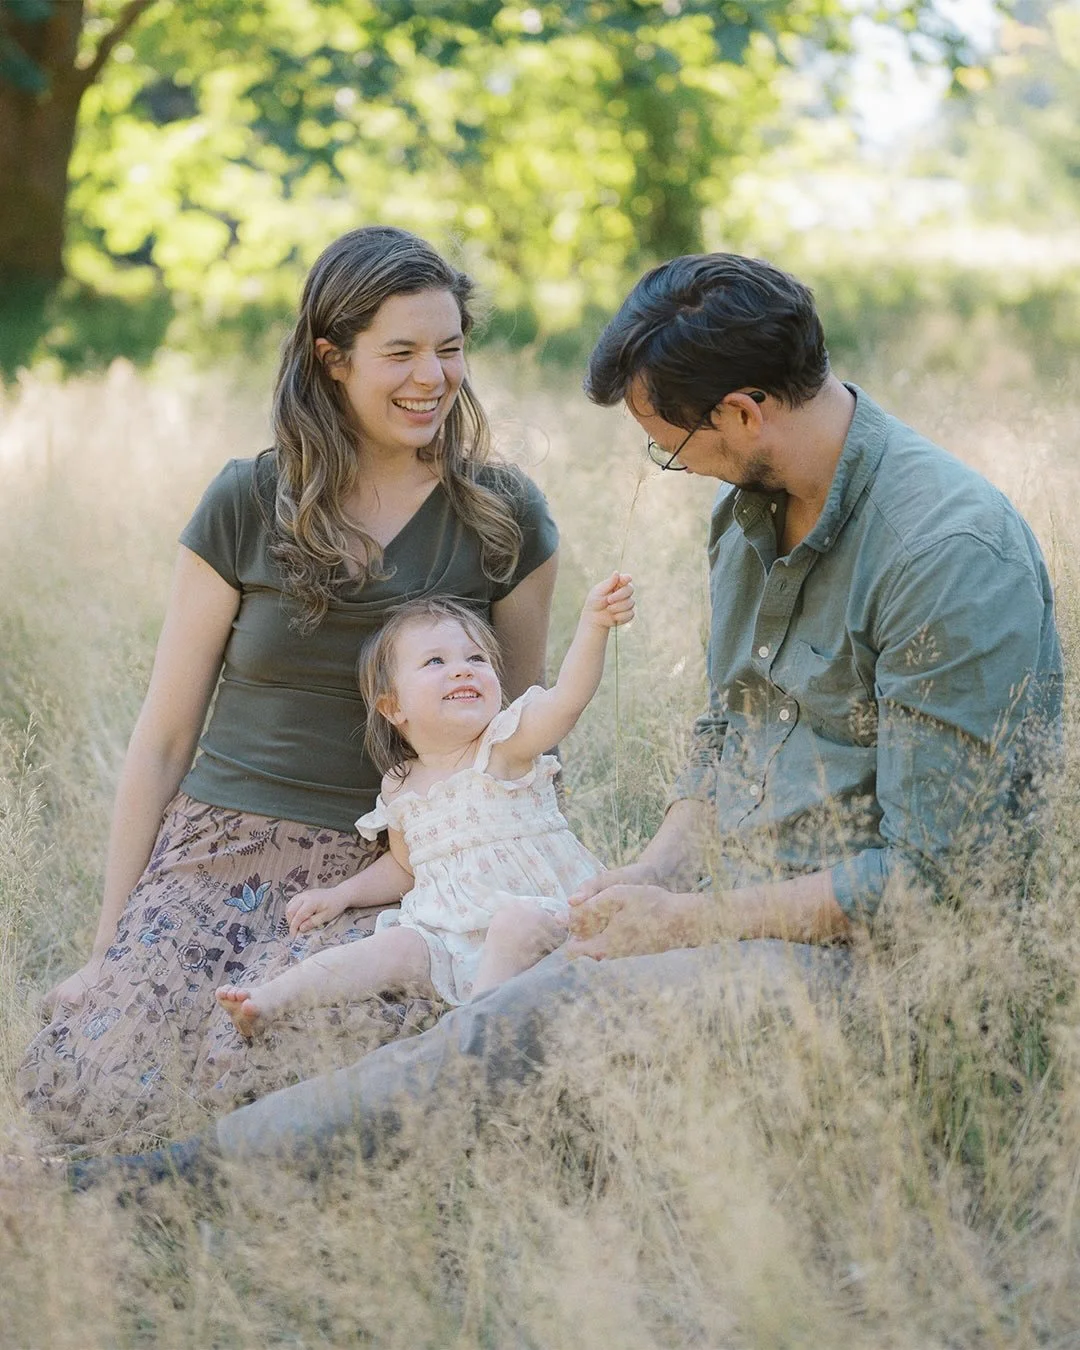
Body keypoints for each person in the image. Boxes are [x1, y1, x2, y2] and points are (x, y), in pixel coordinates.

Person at [66, 252, 1062, 1187]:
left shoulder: (946, 555)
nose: (672, 466)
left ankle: (147, 1193)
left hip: (860, 962)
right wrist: (641, 880)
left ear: (746, 412)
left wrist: (682, 922)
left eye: (672, 446)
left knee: (532, 1014)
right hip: (735, 902)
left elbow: (932, 884)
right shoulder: (750, 518)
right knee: (518, 964)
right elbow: (729, 741)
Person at [18, 225, 561, 1148]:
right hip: (218, 845)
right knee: (93, 1095)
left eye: (450, 348)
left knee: (296, 1089)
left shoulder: (504, 518)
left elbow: (524, 733)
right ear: (332, 357)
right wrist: (107, 949)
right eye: (401, 352)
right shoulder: (245, 500)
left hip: (396, 864)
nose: (433, 376)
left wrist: (496, 899)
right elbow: (163, 738)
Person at [215, 577, 633, 1036]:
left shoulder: (505, 746)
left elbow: (568, 700)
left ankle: (472, 1036)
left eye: (477, 658)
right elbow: (407, 867)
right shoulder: (400, 786)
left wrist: (594, 625)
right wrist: (342, 895)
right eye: (436, 661)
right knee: (392, 947)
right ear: (393, 707)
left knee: (513, 924)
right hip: (450, 939)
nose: (463, 670)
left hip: (548, 919)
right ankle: (270, 1000)